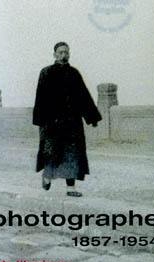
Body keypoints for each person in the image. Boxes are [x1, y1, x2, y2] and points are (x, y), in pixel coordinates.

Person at [32, 42, 102, 197]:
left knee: (73, 154)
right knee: (51, 152)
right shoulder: (46, 72)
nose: (64, 54)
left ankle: (71, 188)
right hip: (52, 123)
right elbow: (40, 97)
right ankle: (47, 177)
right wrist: (40, 121)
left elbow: (83, 95)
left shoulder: (74, 73)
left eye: (66, 52)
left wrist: (92, 117)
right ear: (55, 54)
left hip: (72, 123)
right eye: (60, 52)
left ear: (69, 54)